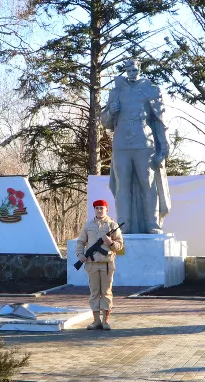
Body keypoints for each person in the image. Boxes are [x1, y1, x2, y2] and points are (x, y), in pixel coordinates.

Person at [101, 58, 172, 234]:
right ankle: (123, 226)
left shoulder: (151, 90)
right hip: (121, 144)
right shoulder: (116, 91)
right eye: (128, 70)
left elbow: (159, 120)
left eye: (134, 70)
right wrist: (111, 111)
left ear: (139, 69)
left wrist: (163, 146)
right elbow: (105, 122)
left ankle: (152, 224)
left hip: (144, 143)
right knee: (122, 186)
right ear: (125, 70)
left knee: (148, 185)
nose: (131, 73)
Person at [76, 200, 124, 330]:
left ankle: (105, 321)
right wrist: (80, 255)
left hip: (107, 264)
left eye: (101, 208)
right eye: (97, 208)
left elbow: (120, 246)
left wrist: (110, 242)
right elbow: (80, 242)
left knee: (106, 292)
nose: (99, 210)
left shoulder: (112, 225)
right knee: (94, 293)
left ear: (106, 210)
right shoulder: (88, 225)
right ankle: (96, 321)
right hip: (91, 264)